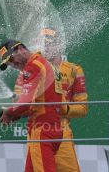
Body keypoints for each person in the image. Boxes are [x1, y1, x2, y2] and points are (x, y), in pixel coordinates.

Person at [0, 40, 67, 172]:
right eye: (9, 63)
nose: (13, 65)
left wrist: (9, 112)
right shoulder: (45, 63)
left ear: (20, 49)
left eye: (11, 59)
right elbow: (41, 102)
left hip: (42, 131)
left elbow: (26, 102)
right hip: (52, 128)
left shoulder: (33, 66)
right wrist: (17, 114)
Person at [40, 27, 88, 172]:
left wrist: (63, 108)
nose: (46, 47)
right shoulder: (33, 70)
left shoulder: (74, 70)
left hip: (62, 130)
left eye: (50, 43)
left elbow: (83, 109)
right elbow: (19, 103)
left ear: (60, 44)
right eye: (43, 44)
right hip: (37, 131)